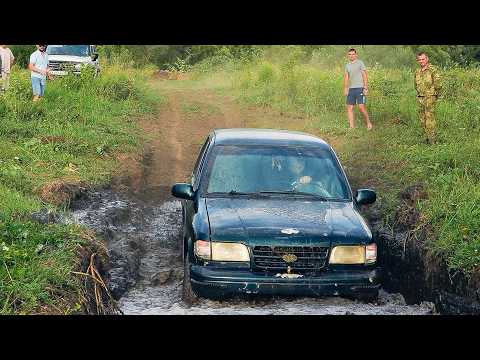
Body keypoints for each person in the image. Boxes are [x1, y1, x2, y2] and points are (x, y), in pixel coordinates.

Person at [414, 52, 442, 144]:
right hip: (420, 97)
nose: (421, 61)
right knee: (422, 119)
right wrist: (419, 94)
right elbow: (416, 84)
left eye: (423, 59)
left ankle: (432, 140)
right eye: (419, 59)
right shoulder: (417, 71)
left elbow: (438, 84)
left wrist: (435, 95)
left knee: (430, 119)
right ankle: (426, 137)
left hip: (430, 97)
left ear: (427, 59)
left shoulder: (432, 70)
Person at [344, 48, 373, 130]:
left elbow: (365, 75)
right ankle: (351, 127)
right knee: (349, 107)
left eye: (353, 54)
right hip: (351, 89)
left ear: (356, 55)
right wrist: (345, 88)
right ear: (348, 56)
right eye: (350, 54)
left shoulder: (360, 63)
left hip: (360, 88)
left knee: (361, 107)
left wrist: (366, 87)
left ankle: (368, 122)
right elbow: (346, 77)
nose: (351, 56)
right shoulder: (347, 65)